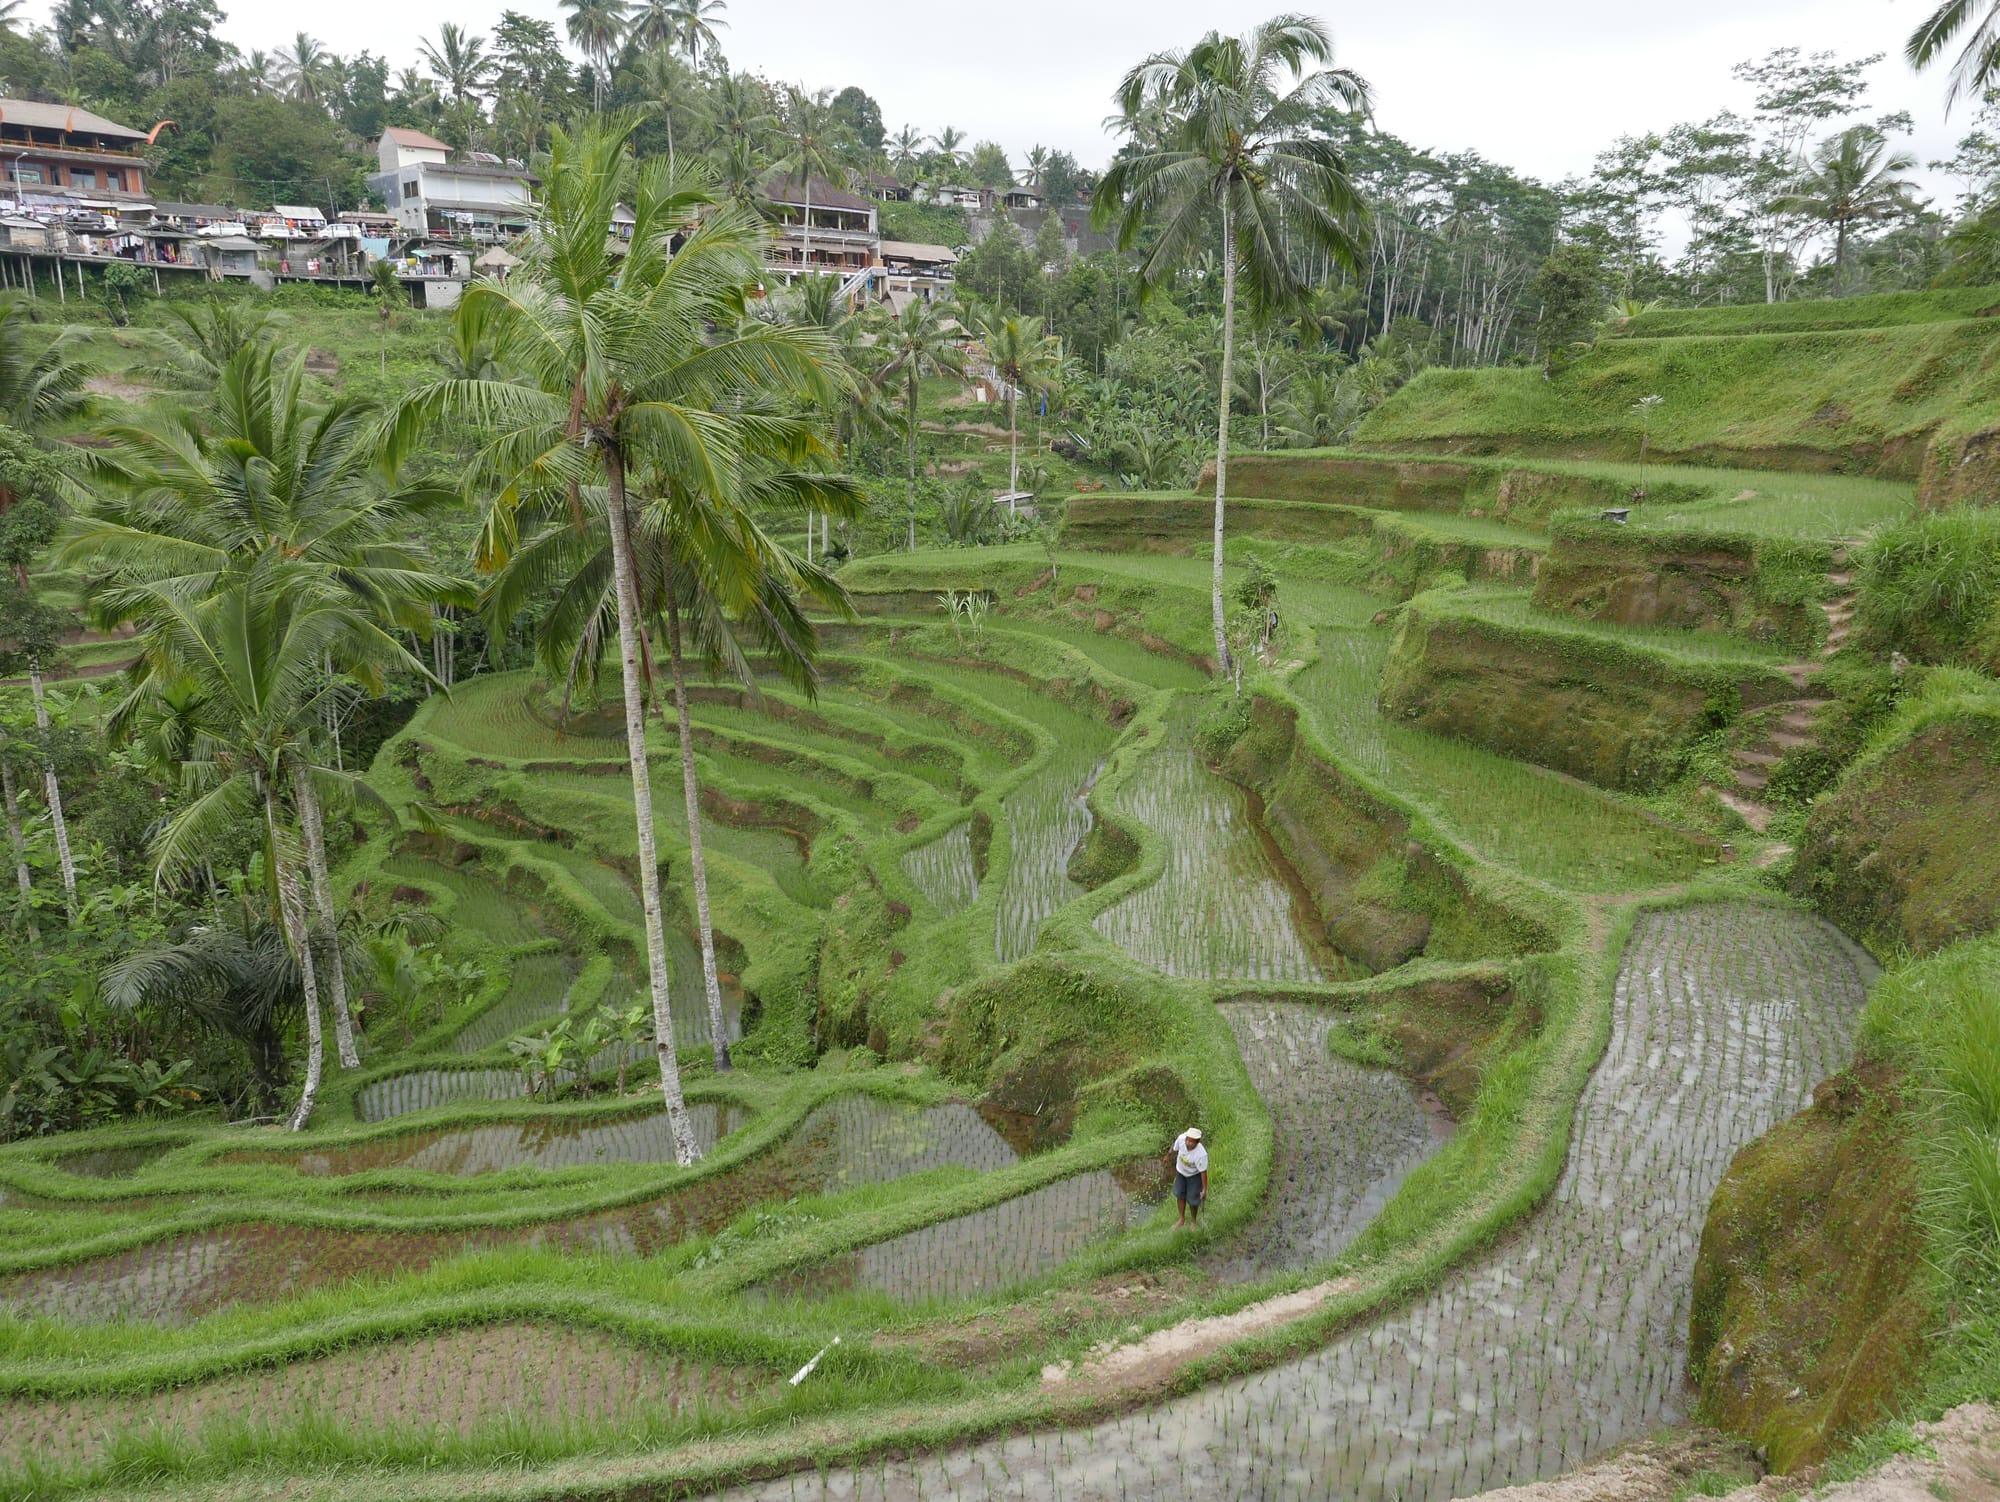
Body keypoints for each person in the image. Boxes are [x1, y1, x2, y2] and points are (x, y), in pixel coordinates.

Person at [1168, 1126, 1208, 1228]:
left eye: (1192, 1142)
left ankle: (1193, 1221)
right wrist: (1168, 1156)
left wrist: (1204, 1189)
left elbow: (1203, 1172)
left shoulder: (1201, 1154)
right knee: (1180, 1194)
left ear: (1197, 1142)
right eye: (1188, 1140)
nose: (1188, 1143)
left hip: (1194, 1176)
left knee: (1193, 1199)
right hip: (1181, 1172)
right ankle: (1182, 1219)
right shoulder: (1181, 1139)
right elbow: (1174, 1147)